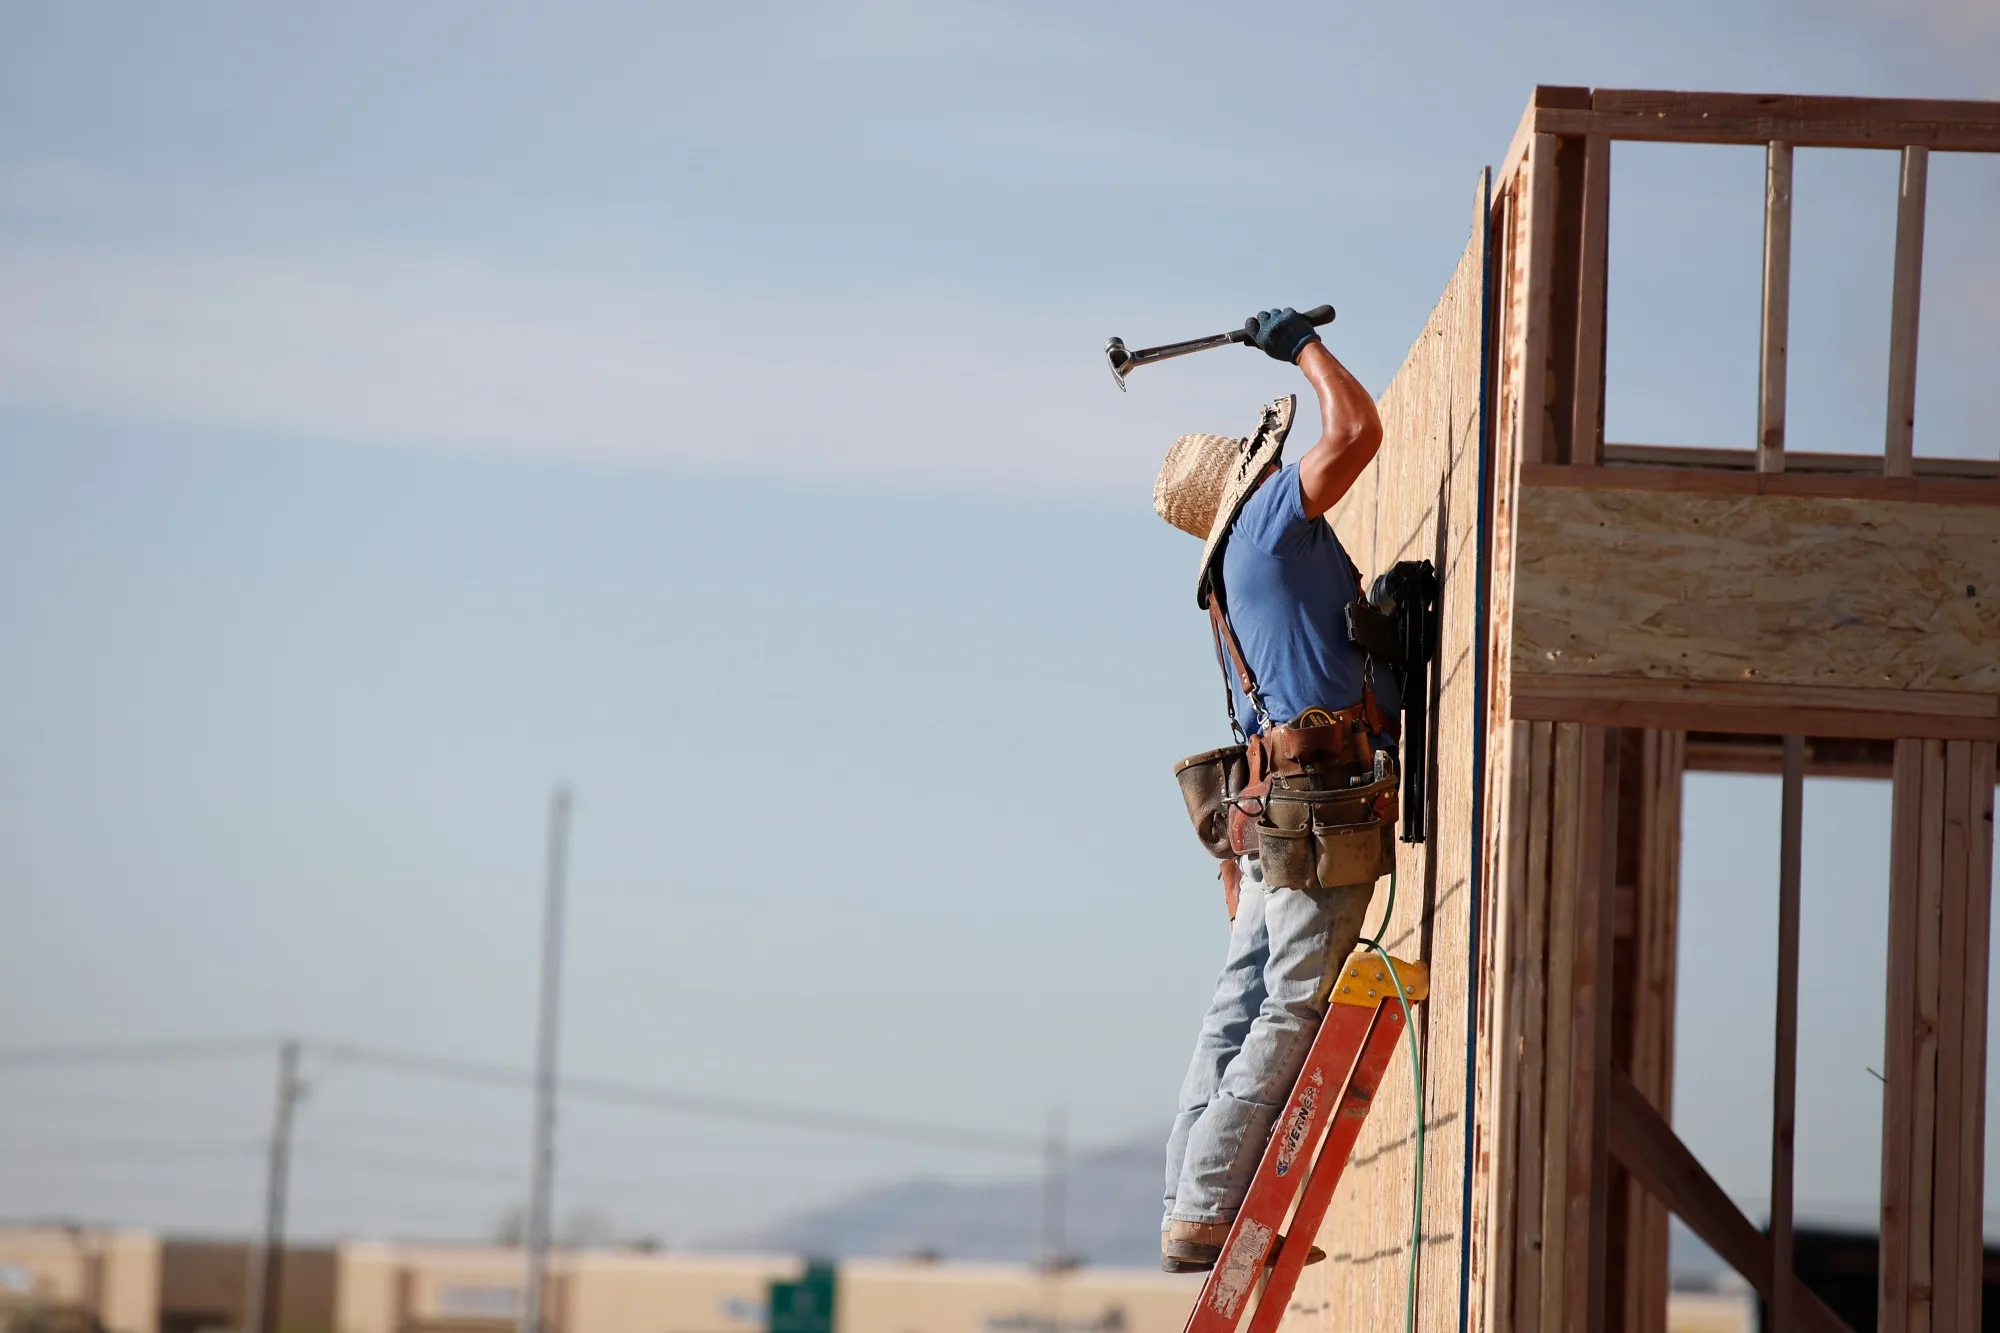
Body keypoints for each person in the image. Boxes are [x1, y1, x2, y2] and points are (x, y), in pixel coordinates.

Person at [1150, 306, 1395, 1273]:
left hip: (1272, 811)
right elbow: (1358, 433)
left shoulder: (1225, 576)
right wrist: (1299, 344)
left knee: (1238, 1003)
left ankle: (1189, 1201)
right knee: (1292, 1004)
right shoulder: (1267, 525)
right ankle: (1211, 1208)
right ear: (1250, 482)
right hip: (1319, 801)